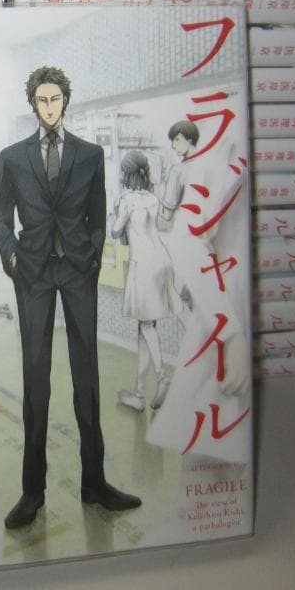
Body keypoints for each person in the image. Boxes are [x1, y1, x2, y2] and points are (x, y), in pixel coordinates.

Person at [0, 65, 141, 530]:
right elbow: (1, 218)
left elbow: (98, 214)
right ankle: (32, 491)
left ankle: (94, 483)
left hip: (77, 271)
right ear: (32, 104)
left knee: (87, 379)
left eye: (56, 99)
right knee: (36, 380)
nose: (49, 107)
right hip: (33, 273)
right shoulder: (12, 158)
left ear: (65, 101)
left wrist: (92, 257)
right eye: (42, 99)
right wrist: (12, 257)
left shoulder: (90, 155)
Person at [110, 150, 184, 413]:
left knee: (145, 325)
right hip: (162, 261)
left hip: (143, 265)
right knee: (145, 328)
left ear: (126, 174)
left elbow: (115, 231)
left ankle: (162, 376)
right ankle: (139, 394)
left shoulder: (127, 199)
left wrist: (116, 210)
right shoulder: (152, 198)